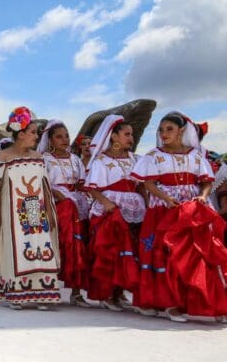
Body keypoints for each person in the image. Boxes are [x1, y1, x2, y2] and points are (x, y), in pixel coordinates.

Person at [131, 112, 226, 322]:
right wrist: (165, 198)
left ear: (181, 131)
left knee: (198, 253)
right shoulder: (154, 156)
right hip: (165, 209)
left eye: (169, 129)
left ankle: (210, 303)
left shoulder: (195, 156)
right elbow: (148, 183)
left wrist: (202, 196)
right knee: (167, 253)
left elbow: (207, 181)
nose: (164, 134)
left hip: (192, 210)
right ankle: (171, 304)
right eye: (161, 130)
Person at [0, 107, 61, 310]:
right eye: (33, 133)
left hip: (36, 209)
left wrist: (51, 212)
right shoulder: (3, 156)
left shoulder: (38, 156)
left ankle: (41, 293)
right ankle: (17, 293)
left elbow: (45, 186)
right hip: (12, 212)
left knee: (38, 243)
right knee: (16, 246)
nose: (37, 137)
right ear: (21, 134)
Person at [84, 115, 145, 312]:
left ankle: (119, 292)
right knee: (111, 251)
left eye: (132, 135)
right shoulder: (101, 161)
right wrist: (106, 203)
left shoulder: (134, 159)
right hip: (109, 210)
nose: (131, 139)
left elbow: (141, 185)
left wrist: (146, 204)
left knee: (130, 251)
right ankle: (107, 294)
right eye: (127, 134)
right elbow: (92, 188)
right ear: (114, 137)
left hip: (133, 209)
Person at [38, 120, 92, 308]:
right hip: (57, 206)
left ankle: (76, 293)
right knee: (59, 245)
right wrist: (56, 194)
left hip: (76, 205)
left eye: (67, 136)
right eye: (59, 136)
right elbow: (40, 184)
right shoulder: (45, 159)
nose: (64, 139)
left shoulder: (75, 159)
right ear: (50, 139)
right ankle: (49, 288)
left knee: (78, 246)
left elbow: (82, 181)